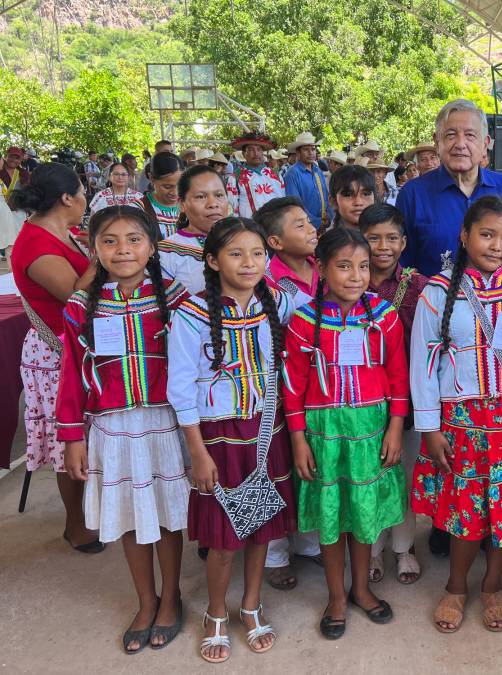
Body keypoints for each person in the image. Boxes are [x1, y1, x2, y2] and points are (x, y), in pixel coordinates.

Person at [410, 196, 502, 633]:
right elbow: (422, 363)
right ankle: (456, 586)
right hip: (462, 423)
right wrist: (430, 428)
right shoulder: (438, 292)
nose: (496, 245)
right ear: (464, 235)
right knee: (464, 508)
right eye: (487, 234)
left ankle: (493, 584)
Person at [57, 206, 190, 653]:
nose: (123, 249)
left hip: (164, 423)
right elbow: (71, 374)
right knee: (132, 517)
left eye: (134, 239)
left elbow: (193, 365)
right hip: (111, 428)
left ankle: (171, 597)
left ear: (153, 245)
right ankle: (146, 600)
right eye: (109, 241)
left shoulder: (175, 298)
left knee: (169, 514)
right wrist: (72, 436)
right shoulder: (81, 306)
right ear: (93, 249)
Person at [167, 217, 297, 663]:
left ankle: (251, 604)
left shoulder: (278, 302)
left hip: (266, 432)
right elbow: (180, 387)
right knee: (224, 540)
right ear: (212, 260)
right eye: (236, 253)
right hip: (219, 439)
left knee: (261, 528)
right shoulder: (191, 314)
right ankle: (216, 611)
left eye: (258, 253)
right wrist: (197, 453)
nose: (249, 262)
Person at [283, 227, 409, 639]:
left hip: (371, 432)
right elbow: (293, 385)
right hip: (324, 436)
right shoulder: (304, 321)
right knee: (332, 517)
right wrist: (299, 438)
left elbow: (397, 374)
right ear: (320, 268)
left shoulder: (384, 316)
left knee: (361, 514)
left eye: (363, 267)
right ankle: (336, 595)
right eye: (343, 266)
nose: (355, 276)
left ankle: (361, 589)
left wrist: (394, 427)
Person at [9, 163, 98, 553]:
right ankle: (75, 525)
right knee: (70, 440)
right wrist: (108, 256)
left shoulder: (60, 231)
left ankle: (91, 513)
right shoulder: (35, 245)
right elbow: (77, 297)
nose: (85, 199)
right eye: (82, 191)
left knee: (89, 438)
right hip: (56, 354)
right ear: (67, 198)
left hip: (77, 348)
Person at [252, 197, 322, 590]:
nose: (311, 228)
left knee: (311, 459)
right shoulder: (266, 281)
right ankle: (276, 551)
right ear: (275, 242)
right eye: (299, 225)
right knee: (277, 464)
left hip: (319, 385)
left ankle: (309, 540)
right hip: (278, 386)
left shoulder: (321, 270)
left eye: (309, 221)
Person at [359, 204, 427, 585]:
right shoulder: (348, 283)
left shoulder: (420, 286)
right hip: (361, 400)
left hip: (408, 401)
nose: (382, 247)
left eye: (391, 238)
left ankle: (405, 547)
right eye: (373, 238)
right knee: (368, 474)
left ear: (403, 242)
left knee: (402, 474)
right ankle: (372, 548)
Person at [396, 99, 502, 276]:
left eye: (470, 135)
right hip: (434, 301)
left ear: (485, 144)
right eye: (450, 135)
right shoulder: (412, 195)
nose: (460, 144)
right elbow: (403, 267)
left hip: (499, 302)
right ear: (437, 142)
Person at [158, 165, 229, 294]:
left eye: (219, 195)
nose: (213, 204)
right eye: (201, 197)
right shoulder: (165, 253)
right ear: (182, 205)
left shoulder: (247, 242)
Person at [226, 131, 285, 218]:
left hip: (276, 226)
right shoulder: (236, 177)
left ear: (262, 153)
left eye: (259, 149)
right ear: (243, 154)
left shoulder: (275, 175)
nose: (256, 153)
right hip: (251, 228)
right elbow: (231, 207)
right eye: (250, 149)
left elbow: (283, 200)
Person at [284, 133, 332, 229]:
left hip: (323, 225)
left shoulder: (317, 171)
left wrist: (329, 215)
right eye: (306, 149)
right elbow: (295, 204)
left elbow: (326, 196)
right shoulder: (292, 174)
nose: (311, 153)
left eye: (313, 149)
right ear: (298, 153)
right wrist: (317, 222)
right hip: (305, 226)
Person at [142, 152, 185, 240]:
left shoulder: (190, 205)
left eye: (180, 185)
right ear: (151, 178)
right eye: (167, 187)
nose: (175, 192)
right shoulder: (138, 209)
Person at [327, 164, 376, 230]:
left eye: (366, 194)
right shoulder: (329, 239)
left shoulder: (385, 236)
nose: (358, 202)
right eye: (348, 195)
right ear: (333, 201)